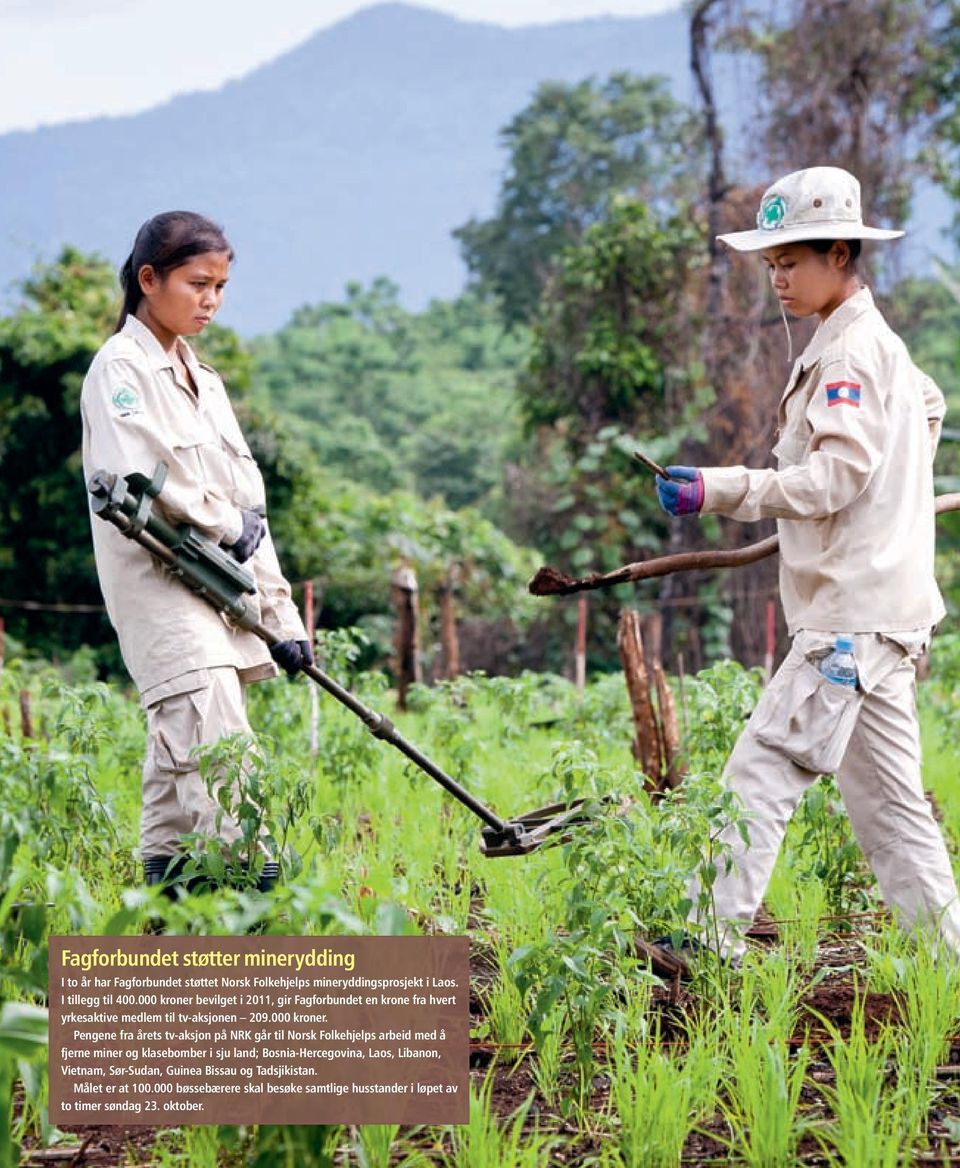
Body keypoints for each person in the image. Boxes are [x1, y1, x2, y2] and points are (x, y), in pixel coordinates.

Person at [643, 165, 960, 976]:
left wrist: (723, 488)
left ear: (840, 253)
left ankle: (699, 942)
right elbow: (928, 407)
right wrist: (901, 498)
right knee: (891, 810)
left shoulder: (850, 354)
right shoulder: (867, 343)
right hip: (884, 612)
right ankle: (950, 967)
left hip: (851, 619)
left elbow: (834, 478)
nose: (778, 278)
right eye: (772, 263)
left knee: (763, 767)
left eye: (792, 260)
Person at [81, 211, 312, 895]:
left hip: (221, 598)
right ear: (149, 280)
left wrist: (284, 622)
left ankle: (167, 942)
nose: (210, 300)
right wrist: (219, 520)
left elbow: (251, 513)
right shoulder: (120, 370)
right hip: (163, 590)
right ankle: (253, 924)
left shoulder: (204, 381)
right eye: (197, 283)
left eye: (221, 287)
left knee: (176, 786)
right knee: (222, 761)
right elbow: (133, 477)